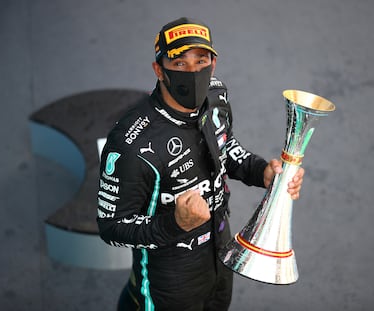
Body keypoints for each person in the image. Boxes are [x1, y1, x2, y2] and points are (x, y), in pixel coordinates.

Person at [97, 17, 304, 311]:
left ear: (213, 64)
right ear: (159, 70)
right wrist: (175, 223)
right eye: (179, 64)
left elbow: (225, 147)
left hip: (222, 252)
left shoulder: (217, 95)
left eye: (201, 60)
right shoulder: (131, 142)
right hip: (167, 279)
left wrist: (263, 172)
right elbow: (111, 228)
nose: (192, 71)